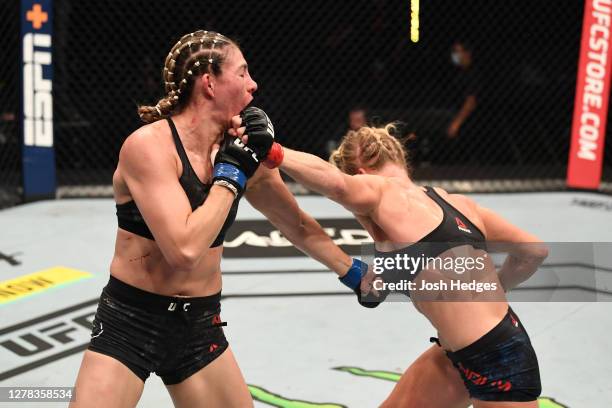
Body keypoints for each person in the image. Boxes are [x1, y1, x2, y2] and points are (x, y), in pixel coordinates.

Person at [70, 30, 371, 408]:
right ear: (209, 83)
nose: (253, 84)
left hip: (199, 326)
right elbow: (183, 249)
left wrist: (353, 272)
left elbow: (293, 221)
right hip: (131, 322)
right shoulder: (149, 147)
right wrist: (230, 176)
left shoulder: (238, 150)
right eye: (242, 73)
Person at [240, 122, 548, 407]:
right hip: (465, 349)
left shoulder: (379, 190)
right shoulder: (460, 203)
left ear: (360, 173)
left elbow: (336, 186)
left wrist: (273, 151)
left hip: (500, 360)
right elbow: (534, 251)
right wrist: (490, 288)